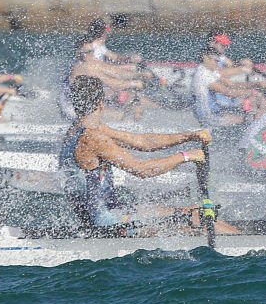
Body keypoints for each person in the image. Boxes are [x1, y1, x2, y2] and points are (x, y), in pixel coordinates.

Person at [59, 75, 237, 235]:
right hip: (108, 224)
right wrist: (186, 156)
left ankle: (240, 241)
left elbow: (142, 141)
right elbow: (143, 170)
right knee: (199, 219)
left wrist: (190, 136)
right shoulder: (93, 138)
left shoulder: (80, 130)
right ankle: (242, 250)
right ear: (101, 103)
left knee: (196, 210)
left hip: (114, 212)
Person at [191, 49, 266, 127]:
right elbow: (227, 92)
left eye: (218, 61)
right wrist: (252, 92)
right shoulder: (202, 74)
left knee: (253, 103)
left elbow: (231, 84)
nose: (217, 64)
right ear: (205, 58)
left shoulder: (209, 71)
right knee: (250, 118)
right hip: (208, 116)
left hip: (215, 111)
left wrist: (256, 84)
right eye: (216, 61)